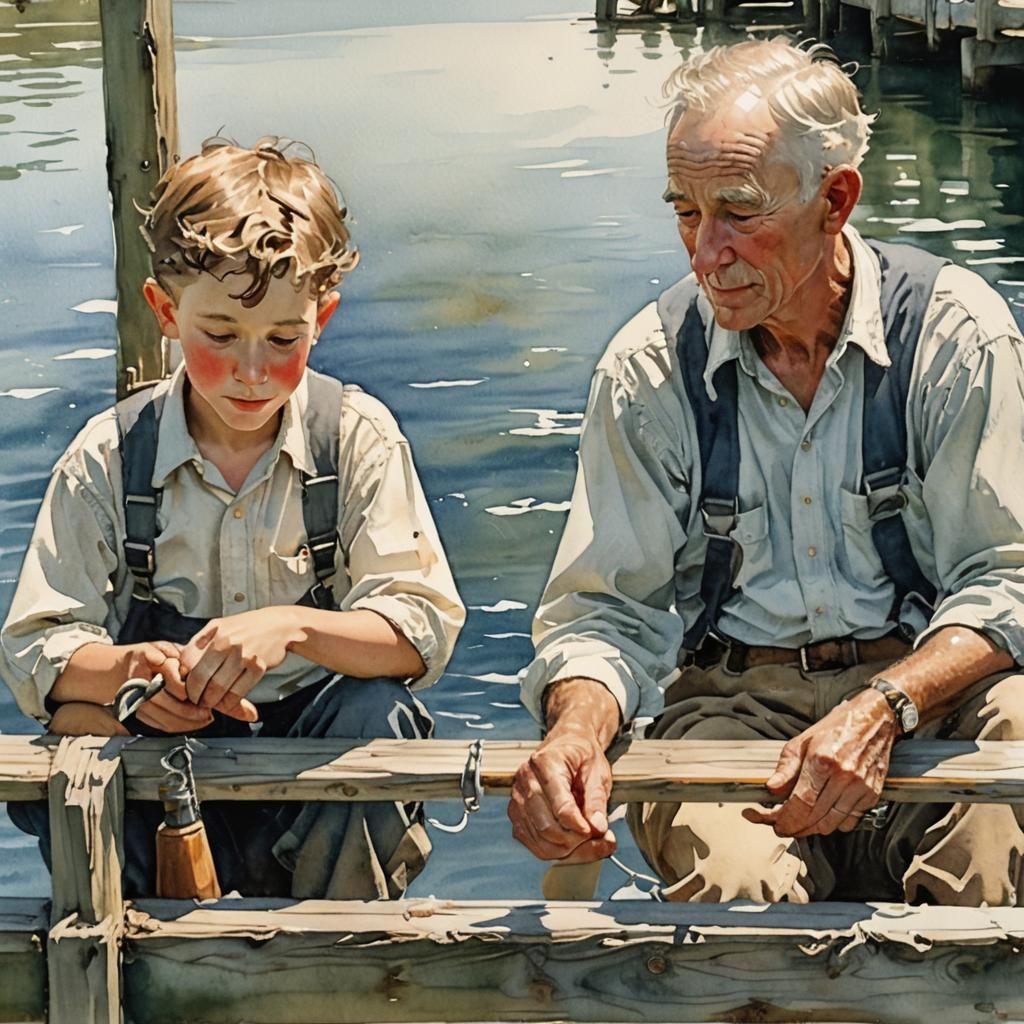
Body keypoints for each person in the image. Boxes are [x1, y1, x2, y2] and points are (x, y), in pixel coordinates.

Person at [509, 39, 1024, 905]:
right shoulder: (648, 367)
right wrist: (574, 734)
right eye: (685, 212)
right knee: (737, 892)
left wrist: (884, 706)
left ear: (836, 200)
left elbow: (1006, 579)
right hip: (733, 708)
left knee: (1006, 784)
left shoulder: (956, 335)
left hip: (932, 698)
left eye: (739, 211)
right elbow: (605, 614)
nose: (705, 253)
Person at [1, 138, 465, 900]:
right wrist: (129, 673)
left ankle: (340, 945)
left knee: (379, 710)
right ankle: (140, 942)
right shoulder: (108, 456)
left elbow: (422, 631)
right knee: (79, 722)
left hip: (318, 778)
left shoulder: (357, 438)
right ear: (165, 312)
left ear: (322, 319)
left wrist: (296, 627)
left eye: (283, 340)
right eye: (219, 335)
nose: (252, 371)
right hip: (164, 767)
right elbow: (33, 648)